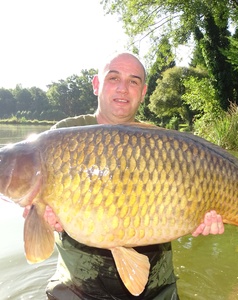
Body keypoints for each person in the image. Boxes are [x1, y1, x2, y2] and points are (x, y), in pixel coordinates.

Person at [24, 52, 224, 299]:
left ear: (143, 91)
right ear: (97, 84)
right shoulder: (62, 136)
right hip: (79, 284)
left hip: (155, 282)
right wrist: (44, 218)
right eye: (113, 78)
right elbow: (34, 222)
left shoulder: (162, 143)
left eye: (133, 81)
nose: (122, 88)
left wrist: (201, 216)